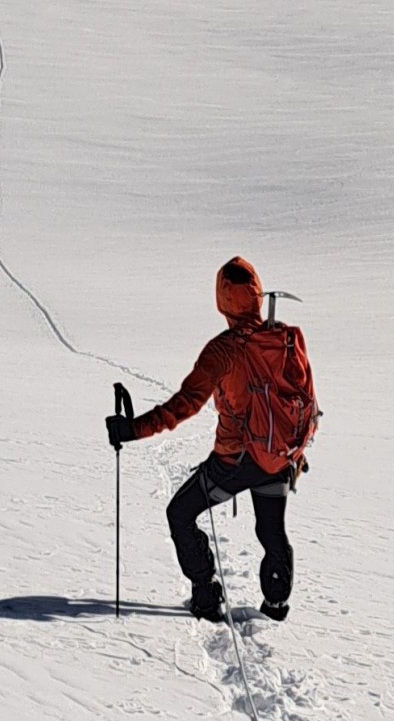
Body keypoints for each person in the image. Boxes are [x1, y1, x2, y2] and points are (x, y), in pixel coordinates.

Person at [107, 256, 317, 623]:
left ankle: (206, 595)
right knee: (272, 530)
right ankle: (276, 606)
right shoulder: (283, 337)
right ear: (255, 294)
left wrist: (133, 429)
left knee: (181, 513)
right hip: (279, 458)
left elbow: (185, 404)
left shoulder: (222, 350)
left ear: (222, 299)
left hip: (234, 464)